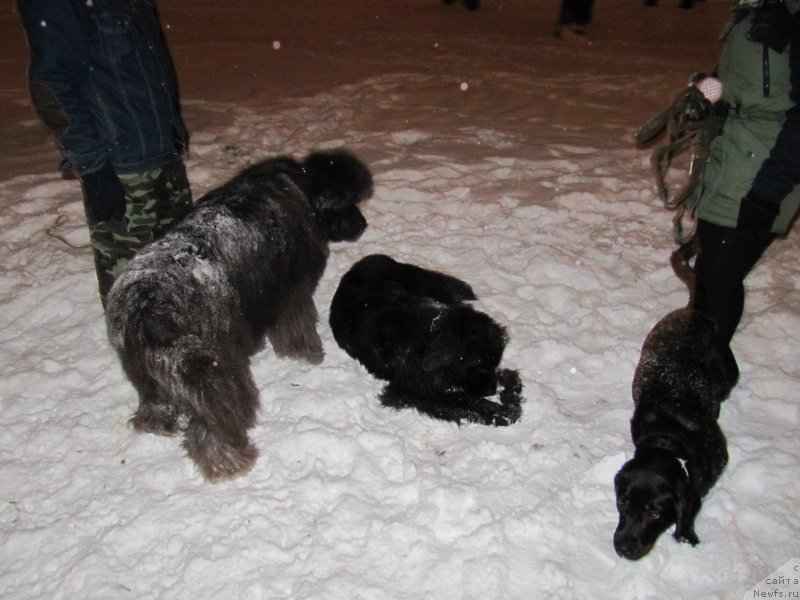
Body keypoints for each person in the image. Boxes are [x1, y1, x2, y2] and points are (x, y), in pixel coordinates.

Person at [17, 0, 193, 307]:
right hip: (124, 172)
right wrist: (93, 167)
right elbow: (52, 85)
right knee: (133, 301)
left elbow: (149, 60)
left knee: (183, 277)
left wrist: (172, 124)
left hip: (164, 155)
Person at [688, 0, 800, 347]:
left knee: (719, 275)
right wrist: (709, 92)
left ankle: (706, 365)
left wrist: (770, 189)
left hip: (768, 164)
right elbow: (745, 86)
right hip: (731, 158)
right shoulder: (751, 11)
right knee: (709, 272)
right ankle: (697, 358)